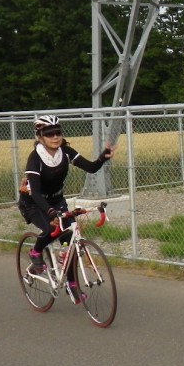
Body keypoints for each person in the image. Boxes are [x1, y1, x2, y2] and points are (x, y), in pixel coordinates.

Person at [18, 115, 114, 299]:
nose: (55, 137)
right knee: (51, 228)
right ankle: (35, 252)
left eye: (58, 132)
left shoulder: (66, 152)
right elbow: (36, 194)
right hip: (33, 203)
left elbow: (92, 168)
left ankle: (72, 285)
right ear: (40, 136)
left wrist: (103, 157)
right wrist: (50, 212)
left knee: (69, 242)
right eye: (49, 133)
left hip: (56, 201)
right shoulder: (35, 158)